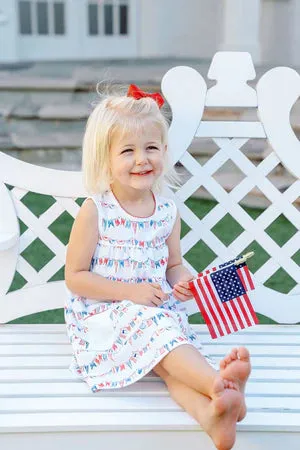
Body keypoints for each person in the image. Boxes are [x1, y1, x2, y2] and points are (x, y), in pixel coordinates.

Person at [64, 83, 251, 450]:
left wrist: (185, 281)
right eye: (128, 151)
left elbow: (174, 265)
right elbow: (75, 277)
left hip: (155, 314)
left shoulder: (166, 212)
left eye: (151, 148)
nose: (141, 159)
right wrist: (128, 293)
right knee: (159, 333)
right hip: (105, 317)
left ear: (164, 151)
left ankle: (214, 415)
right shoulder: (96, 211)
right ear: (106, 159)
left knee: (166, 362)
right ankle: (218, 382)